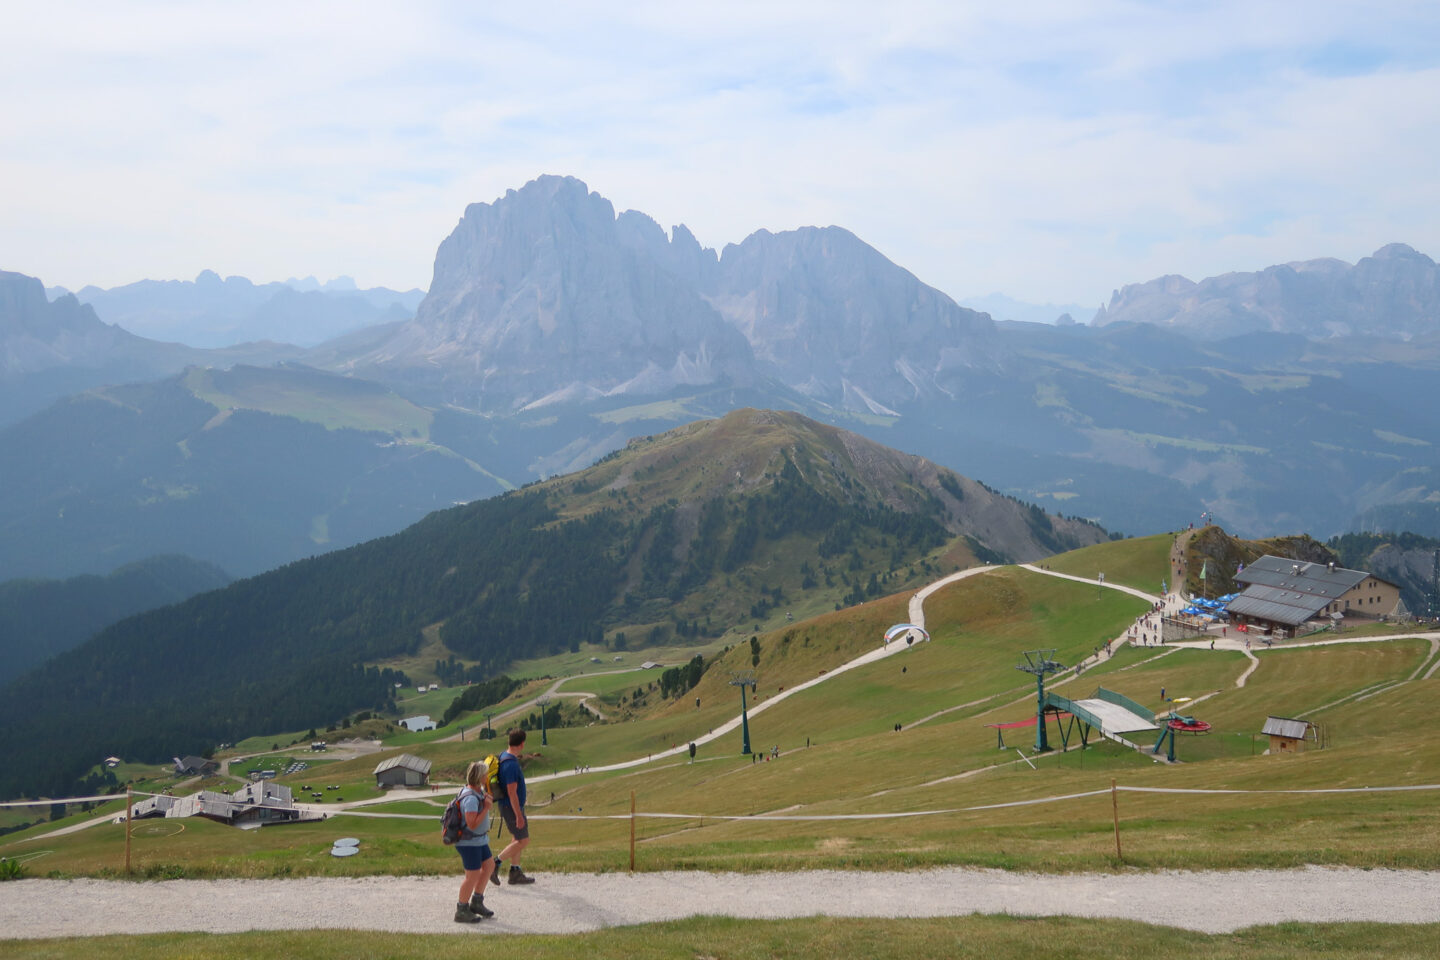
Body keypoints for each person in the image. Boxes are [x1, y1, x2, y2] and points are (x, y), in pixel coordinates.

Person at [452, 759, 496, 922]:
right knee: (472, 875)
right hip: (469, 842)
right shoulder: (470, 798)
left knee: (489, 865)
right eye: (485, 774)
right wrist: (486, 808)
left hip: (479, 840)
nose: (487, 777)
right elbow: (471, 824)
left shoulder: (477, 792)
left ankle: (477, 902)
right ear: (480, 777)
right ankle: (461, 910)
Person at [492, 728, 536, 885]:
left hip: (510, 807)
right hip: (511, 807)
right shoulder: (510, 764)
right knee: (523, 840)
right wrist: (518, 815)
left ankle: (515, 872)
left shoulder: (504, 756)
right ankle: (495, 863)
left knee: (517, 838)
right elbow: (512, 793)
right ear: (522, 744)